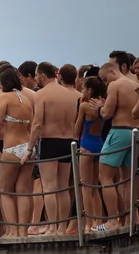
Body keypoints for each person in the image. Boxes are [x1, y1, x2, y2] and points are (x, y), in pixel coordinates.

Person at [27, 62, 81, 236]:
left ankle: (52, 227)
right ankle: (62, 227)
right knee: (64, 187)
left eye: (36, 75)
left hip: (49, 141)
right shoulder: (70, 95)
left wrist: (29, 148)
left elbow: (37, 124)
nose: (35, 78)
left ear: (42, 76)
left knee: (49, 187)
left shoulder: (42, 94)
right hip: (67, 141)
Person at [89, 62, 139, 231]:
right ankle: (131, 218)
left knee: (105, 176)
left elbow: (107, 113)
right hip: (134, 132)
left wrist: (100, 107)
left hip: (118, 131)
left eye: (104, 79)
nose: (105, 83)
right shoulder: (135, 84)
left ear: (112, 71)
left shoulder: (115, 85)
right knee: (127, 179)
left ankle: (112, 221)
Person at [0, 68, 36, 238]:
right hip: (28, 147)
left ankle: (13, 231)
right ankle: (23, 231)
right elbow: (31, 127)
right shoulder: (27, 100)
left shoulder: (5, 97)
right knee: (23, 191)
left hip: (11, 148)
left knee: (6, 191)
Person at [74, 77, 107, 232]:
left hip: (86, 145)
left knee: (86, 187)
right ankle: (98, 221)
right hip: (99, 143)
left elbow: (78, 127)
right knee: (95, 187)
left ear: (88, 90)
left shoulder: (85, 106)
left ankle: (88, 224)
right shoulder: (104, 105)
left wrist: (74, 141)